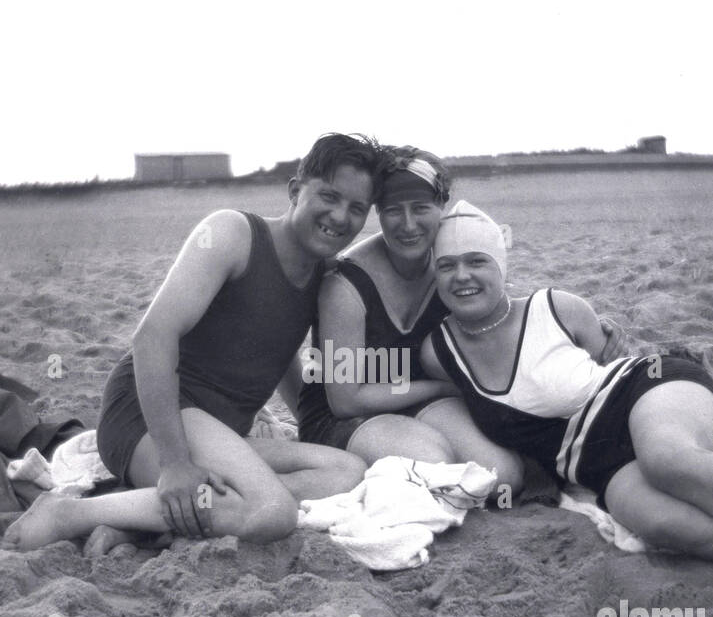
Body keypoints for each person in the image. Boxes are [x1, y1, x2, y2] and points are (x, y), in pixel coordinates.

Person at [4, 133, 384, 552]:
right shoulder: (232, 234)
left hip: (223, 435)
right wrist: (175, 463)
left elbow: (282, 355)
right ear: (295, 190)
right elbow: (152, 336)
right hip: (153, 416)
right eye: (329, 196)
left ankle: (137, 520)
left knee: (345, 470)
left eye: (357, 208)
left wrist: (308, 426)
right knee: (272, 511)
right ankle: (71, 513)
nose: (340, 216)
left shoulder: (323, 275)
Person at [298, 147, 623, 493]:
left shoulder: (450, 267)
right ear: (379, 211)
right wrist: (442, 386)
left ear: (442, 206)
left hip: (417, 401)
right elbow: (345, 400)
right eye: (393, 210)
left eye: (421, 208)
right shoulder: (345, 286)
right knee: (439, 466)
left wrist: (588, 327)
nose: (408, 225)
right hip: (344, 418)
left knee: (501, 475)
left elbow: (504, 315)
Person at [421, 201, 713, 558]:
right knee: (663, 523)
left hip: (641, 392)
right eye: (446, 266)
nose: (461, 275)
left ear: (501, 266)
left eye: (477, 260)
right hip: (595, 465)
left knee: (668, 460)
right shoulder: (439, 351)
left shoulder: (555, 307)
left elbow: (619, 358)